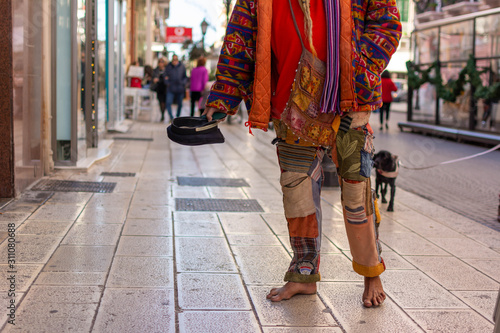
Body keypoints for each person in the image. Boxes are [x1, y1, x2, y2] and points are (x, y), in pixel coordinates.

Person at [204, 0, 401, 307]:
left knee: (356, 194)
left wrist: (359, 69)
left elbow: (386, 23)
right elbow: (239, 40)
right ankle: (303, 274)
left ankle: (371, 272)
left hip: (349, 104)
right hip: (289, 105)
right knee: (297, 195)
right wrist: (224, 96)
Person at [164, 54, 188, 120]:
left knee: (180, 104)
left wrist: (183, 83)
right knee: (168, 103)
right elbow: (165, 76)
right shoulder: (168, 67)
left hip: (180, 88)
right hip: (171, 88)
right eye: (173, 59)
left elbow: (185, 77)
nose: (174, 61)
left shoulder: (182, 66)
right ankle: (171, 117)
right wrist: (167, 83)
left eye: (176, 59)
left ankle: (177, 117)